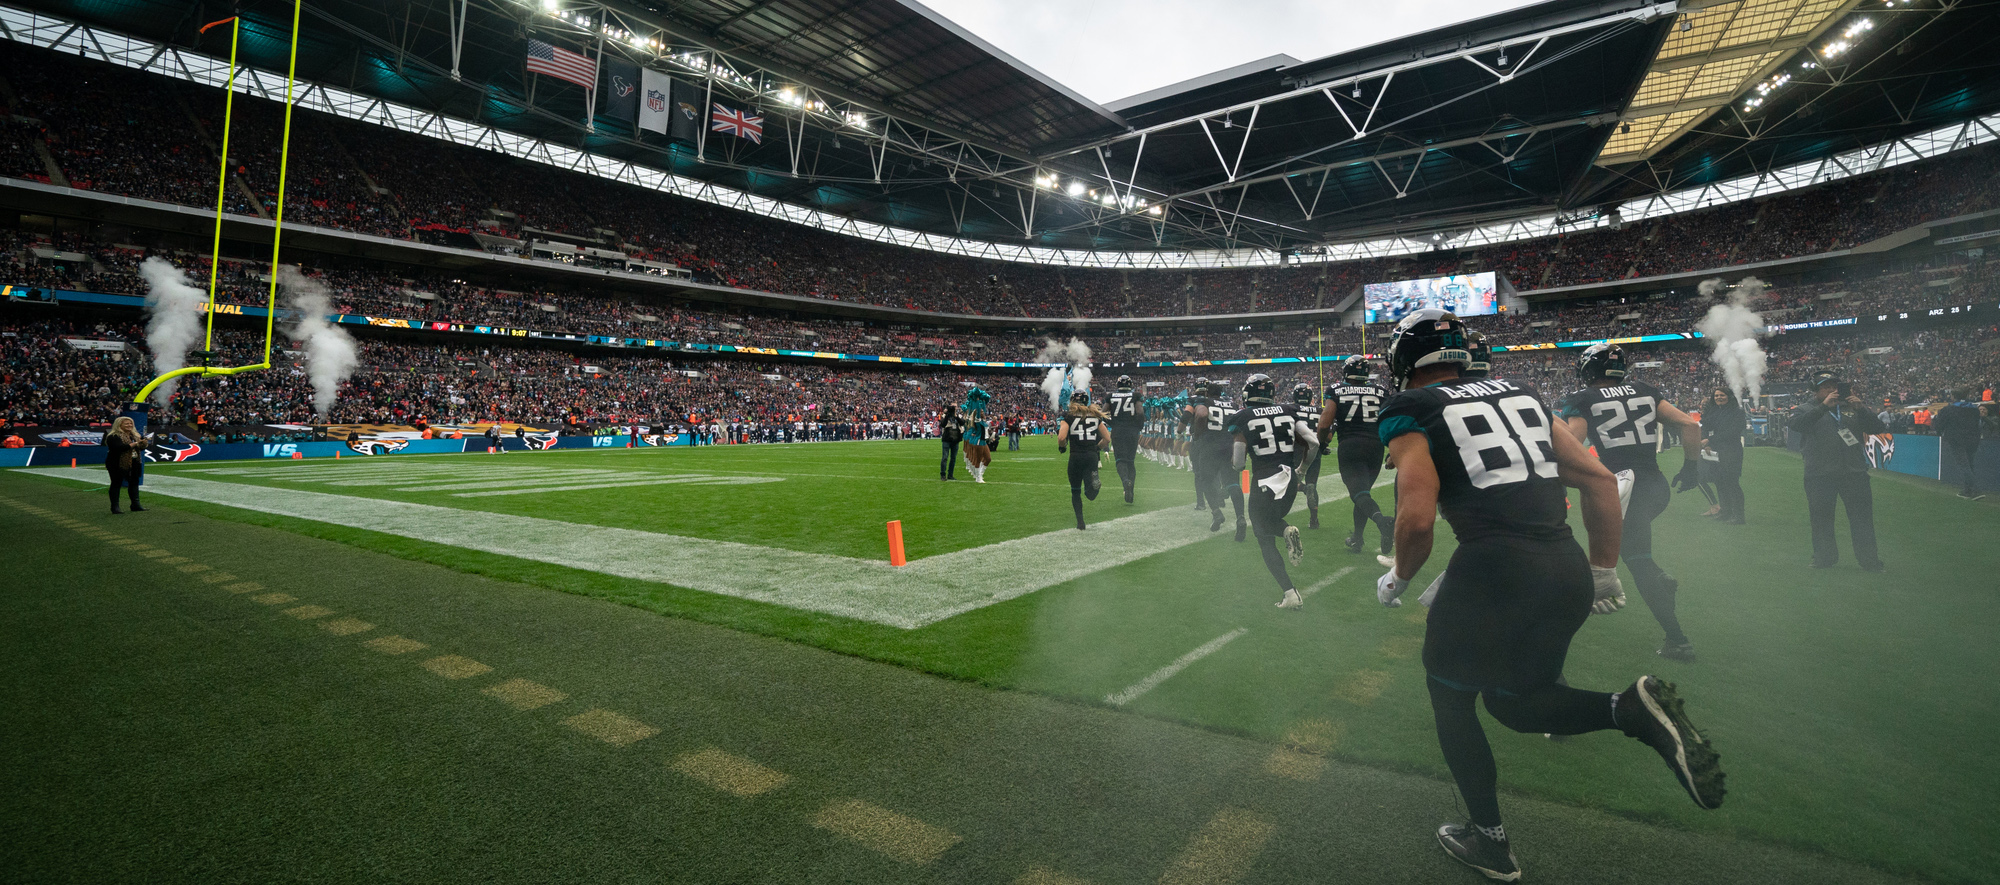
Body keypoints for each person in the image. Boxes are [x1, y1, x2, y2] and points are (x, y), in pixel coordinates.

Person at [1372, 310, 1725, 881]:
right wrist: (1604, 568)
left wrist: (1399, 580)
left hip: (1492, 570)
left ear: (1403, 361)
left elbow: (1415, 521)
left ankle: (1490, 842)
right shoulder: (1524, 392)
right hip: (1564, 567)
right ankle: (1628, 709)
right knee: (1517, 702)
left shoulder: (1410, 409)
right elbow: (1599, 479)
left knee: (1451, 698)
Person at [1556, 343, 1704, 663]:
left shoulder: (1582, 399)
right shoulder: (1645, 390)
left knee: (1638, 563)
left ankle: (1678, 639)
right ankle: (1659, 582)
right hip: (1655, 487)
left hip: (1620, 490)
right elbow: (1690, 425)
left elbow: (1571, 446)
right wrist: (1691, 467)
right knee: (1639, 555)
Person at [1226, 375, 1319, 610]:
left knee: (1263, 534)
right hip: (1289, 479)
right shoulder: (1289, 410)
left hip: (1264, 479)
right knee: (1271, 521)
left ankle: (1290, 591)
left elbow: (1238, 463)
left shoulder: (1243, 416)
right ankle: (1290, 592)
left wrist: (1239, 462)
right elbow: (1313, 442)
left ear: (1248, 394)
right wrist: (1302, 470)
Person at [1794, 374, 1887, 571]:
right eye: (1825, 387)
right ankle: (1824, 557)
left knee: (1862, 519)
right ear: (1816, 391)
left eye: (1834, 386)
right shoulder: (1806, 408)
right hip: (1819, 474)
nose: (1831, 390)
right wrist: (1824, 407)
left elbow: (1878, 428)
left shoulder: (1851, 407)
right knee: (1821, 519)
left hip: (1854, 472)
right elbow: (1797, 425)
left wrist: (1861, 409)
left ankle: (1869, 560)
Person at [1317, 356, 1395, 556]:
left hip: (1350, 444)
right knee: (1363, 493)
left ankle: (1382, 522)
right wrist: (1392, 450)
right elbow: (1391, 420)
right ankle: (1357, 539)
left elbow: (1325, 423)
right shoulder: (1381, 391)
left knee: (1358, 494)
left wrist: (1321, 442)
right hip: (1375, 447)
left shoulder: (1336, 390)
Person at [1199, 378, 1248, 541]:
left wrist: (1197, 432)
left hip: (1210, 446)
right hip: (1229, 445)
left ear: (1208, 393)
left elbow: (1201, 414)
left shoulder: (1205, 401)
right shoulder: (1232, 405)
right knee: (1233, 483)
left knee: (1205, 481)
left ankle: (1216, 512)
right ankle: (1240, 517)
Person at [1056, 390, 1111, 530]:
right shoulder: (1095, 416)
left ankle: (1080, 522)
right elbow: (1107, 438)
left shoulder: (1067, 416)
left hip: (1075, 456)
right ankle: (1093, 484)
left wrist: (1062, 447)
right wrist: (1097, 449)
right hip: (1091, 456)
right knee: (1090, 494)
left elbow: (1061, 438)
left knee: (1075, 491)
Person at [1702, 388, 1748, 522]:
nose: (1718, 397)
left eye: (1722, 395)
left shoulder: (1737, 412)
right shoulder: (1714, 411)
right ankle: (1726, 512)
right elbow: (1704, 426)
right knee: (1719, 482)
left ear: (1729, 397)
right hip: (1716, 451)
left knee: (1732, 482)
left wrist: (1710, 440)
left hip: (1731, 451)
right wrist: (1707, 442)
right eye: (1716, 395)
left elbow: (1733, 432)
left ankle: (1739, 515)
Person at [1934, 388, 1986, 500]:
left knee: (1964, 465)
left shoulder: (1948, 409)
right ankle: (1967, 490)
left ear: (1953, 396)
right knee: (1970, 464)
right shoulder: (1974, 409)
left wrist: (1939, 431)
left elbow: (1939, 424)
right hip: (1973, 440)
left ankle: (1975, 489)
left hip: (1956, 440)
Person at [1290, 382, 1324, 528]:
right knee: (1312, 483)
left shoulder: (1290, 409)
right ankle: (1314, 520)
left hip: (1297, 449)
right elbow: (1327, 429)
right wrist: (1323, 446)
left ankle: (1303, 488)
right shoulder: (1319, 410)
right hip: (1315, 449)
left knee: (1289, 482)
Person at [1107, 375, 1144, 504]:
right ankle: (1131, 489)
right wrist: (1139, 426)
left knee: (1120, 460)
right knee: (1130, 461)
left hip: (1118, 431)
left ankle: (1125, 482)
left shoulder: (1111, 396)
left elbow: (1103, 412)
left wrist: (1112, 424)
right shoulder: (1135, 396)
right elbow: (1139, 412)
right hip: (1132, 431)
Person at [103, 416, 147, 514]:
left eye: (131, 423)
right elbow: (119, 448)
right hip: (117, 463)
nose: (129, 425)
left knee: (134, 483)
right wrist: (135, 444)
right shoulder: (113, 436)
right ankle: (115, 507)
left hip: (134, 461)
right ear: (119, 424)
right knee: (116, 483)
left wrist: (143, 444)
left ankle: (135, 504)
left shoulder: (135, 435)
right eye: (126, 423)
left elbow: (139, 449)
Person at [939, 405, 962, 481]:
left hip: (955, 439)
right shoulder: (945, 416)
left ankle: (950, 474)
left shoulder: (958, 416)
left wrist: (956, 417)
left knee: (953, 458)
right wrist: (947, 416)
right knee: (945, 457)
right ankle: (943, 474)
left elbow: (962, 423)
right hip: (947, 439)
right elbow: (942, 425)